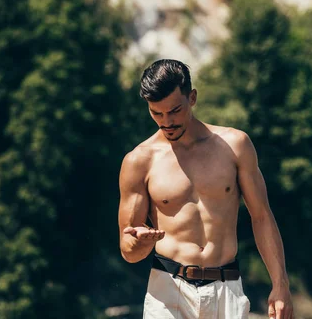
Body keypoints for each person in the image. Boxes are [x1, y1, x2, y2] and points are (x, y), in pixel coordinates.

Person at [118, 59, 293, 319]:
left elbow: (262, 216)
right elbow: (128, 251)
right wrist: (139, 243)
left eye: (175, 110)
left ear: (193, 97)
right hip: (167, 290)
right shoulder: (139, 161)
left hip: (227, 289)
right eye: (157, 113)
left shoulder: (235, 145)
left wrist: (281, 285)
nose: (166, 122)